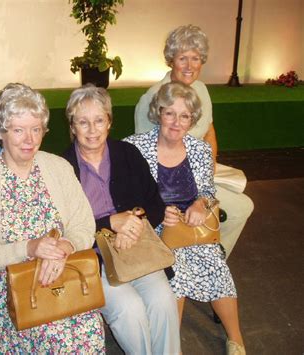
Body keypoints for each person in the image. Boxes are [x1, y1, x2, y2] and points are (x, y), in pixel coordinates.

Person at [0, 83, 105, 353]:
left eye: (35, 129)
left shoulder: (59, 168)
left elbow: (84, 224)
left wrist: (64, 247)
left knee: (90, 327)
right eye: (18, 130)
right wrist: (29, 248)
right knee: (57, 338)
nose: (29, 139)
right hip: (13, 287)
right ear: (1, 132)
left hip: (63, 273)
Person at [125, 82, 246, 355]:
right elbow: (125, 197)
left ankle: (236, 340)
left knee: (216, 266)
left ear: (192, 120)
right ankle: (172, 348)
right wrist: (153, 211)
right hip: (152, 233)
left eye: (185, 116)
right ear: (159, 112)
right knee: (175, 275)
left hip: (191, 231)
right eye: (170, 113)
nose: (177, 122)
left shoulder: (199, 150)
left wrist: (200, 204)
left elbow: (207, 192)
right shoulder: (134, 148)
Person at [62, 84, 181, 355]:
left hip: (137, 249)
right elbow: (61, 227)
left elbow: (155, 203)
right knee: (130, 310)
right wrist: (110, 223)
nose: (92, 129)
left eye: (99, 120)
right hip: (92, 258)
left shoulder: (128, 154)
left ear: (109, 122)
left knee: (163, 300)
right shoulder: (61, 167)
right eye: (83, 122)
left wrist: (134, 222)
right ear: (72, 126)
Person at [134, 24, 253, 257]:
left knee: (243, 207)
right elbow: (141, 157)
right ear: (171, 60)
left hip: (199, 175)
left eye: (196, 58)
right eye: (183, 58)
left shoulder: (201, 89)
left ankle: (212, 257)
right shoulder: (153, 97)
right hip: (166, 185)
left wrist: (209, 169)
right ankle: (176, 261)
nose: (190, 66)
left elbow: (209, 130)